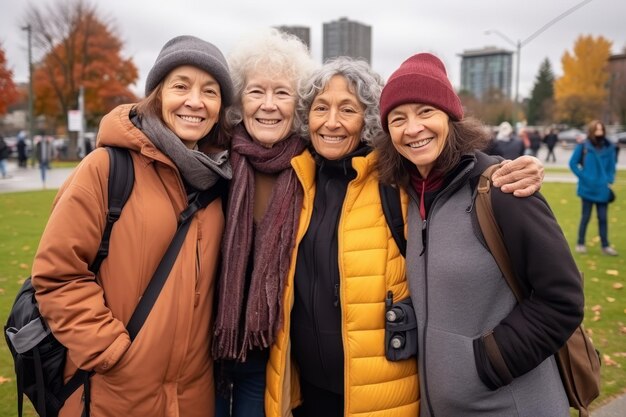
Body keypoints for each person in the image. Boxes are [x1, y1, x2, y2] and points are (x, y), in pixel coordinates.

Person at [265, 57, 546, 417]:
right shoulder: (295, 180)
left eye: (347, 109)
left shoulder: (398, 179)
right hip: (307, 395)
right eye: (321, 108)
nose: (331, 122)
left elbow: (454, 163)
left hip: (383, 398)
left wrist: (511, 169)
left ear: (368, 119)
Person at [31, 35, 234, 417]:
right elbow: (57, 274)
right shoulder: (107, 168)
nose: (195, 101)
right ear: (157, 94)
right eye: (181, 86)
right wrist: (110, 351)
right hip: (113, 392)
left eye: (210, 91)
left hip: (192, 397)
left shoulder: (218, 181)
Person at [375, 52, 584, 417]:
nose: (412, 128)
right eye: (398, 118)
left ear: (451, 118)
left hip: (513, 405)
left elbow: (562, 299)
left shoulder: (501, 188)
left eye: (426, 112)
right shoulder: (404, 195)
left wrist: (486, 364)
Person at [211, 28, 315, 417]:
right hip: (204, 345)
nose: (269, 105)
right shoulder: (209, 159)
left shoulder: (315, 167)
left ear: (299, 103)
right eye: (257, 91)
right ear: (240, 99)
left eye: (282, 92)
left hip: (273, 349)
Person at [569, 119, 618, 256]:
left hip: (602, 188)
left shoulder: (609, 147)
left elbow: (612, 166)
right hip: (587, 188)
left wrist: (609, 179)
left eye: (601, 129)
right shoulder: (584, 146)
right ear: (591, 131)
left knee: (603, 218)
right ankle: (580, 243)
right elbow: (572, 163)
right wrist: (584, 177)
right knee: (586, 217)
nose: (599, 132)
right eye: (596, 130)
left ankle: (605, 246)